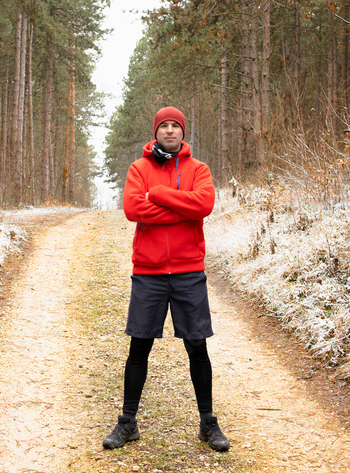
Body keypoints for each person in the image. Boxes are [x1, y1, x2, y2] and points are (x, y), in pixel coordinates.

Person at [102, 106, 230, 452]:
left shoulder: (198, 169)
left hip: (189, 271)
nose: (170, 131)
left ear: (183, 132)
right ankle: (127, 423)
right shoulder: (138, 169)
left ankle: (208, 422)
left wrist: (157, 196)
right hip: (149, 272)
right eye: (164, 126)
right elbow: (133, 209)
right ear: (156, 131)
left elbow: (203, 204)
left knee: (197, 346)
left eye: (176, 126)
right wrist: (181, 208)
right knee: (139, 346)